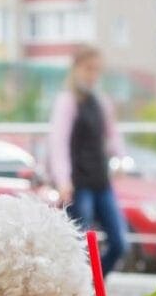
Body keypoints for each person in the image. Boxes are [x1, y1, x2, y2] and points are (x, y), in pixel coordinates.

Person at [48, 45, 129, 276]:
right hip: (78, 184)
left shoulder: (101, 102)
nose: (93, 75)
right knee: (81, 247)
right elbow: (58, 143)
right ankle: (86, 294)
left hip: (101, 181)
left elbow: (112, 135)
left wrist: (122, 159)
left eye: (97, 70)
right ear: (76, 69)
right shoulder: (67, 101)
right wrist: (63, 180)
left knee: (120, 242)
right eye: (88, 69)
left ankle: (93, 290)